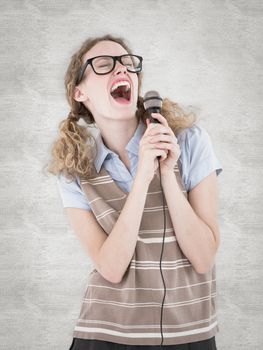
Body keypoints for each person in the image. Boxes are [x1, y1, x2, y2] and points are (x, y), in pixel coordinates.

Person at [47, 34, 223, 350]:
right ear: (80, 92)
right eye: (103, 65)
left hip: (190, 333)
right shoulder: (74, 173)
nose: (122, 71)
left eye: (129, 64)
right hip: (106, 334)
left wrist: (167, 173)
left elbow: (203, 257)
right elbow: (111, 269)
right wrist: (142, 175)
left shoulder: (190, 142)